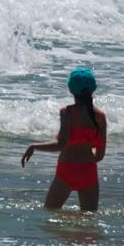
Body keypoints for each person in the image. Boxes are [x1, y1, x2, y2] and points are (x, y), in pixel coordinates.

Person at [21, 66, 108, 212]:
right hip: (89, 170)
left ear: (71, 89)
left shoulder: (67, 113)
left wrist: (34, 146)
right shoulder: (100, 116)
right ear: (93, 89)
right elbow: (100, 155)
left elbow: (61, 144)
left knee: (50, 213)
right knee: (89, 222)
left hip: (67, 169)